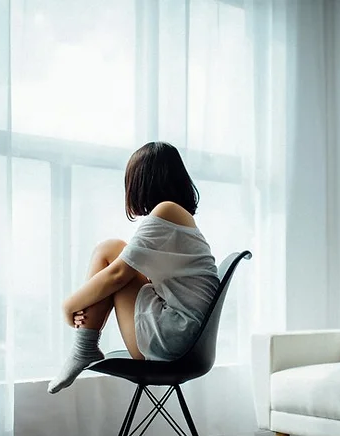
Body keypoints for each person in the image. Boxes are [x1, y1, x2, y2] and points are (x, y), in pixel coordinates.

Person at [47, 142, 220, 394]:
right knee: (114, 251)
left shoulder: (167, 211)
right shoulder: (178, 217)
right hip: (184, 339)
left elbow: (118, 275)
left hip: (174, 341)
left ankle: (83, 347)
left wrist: (68, 306)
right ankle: (84, 347)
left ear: (141, 181)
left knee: (109, 252)